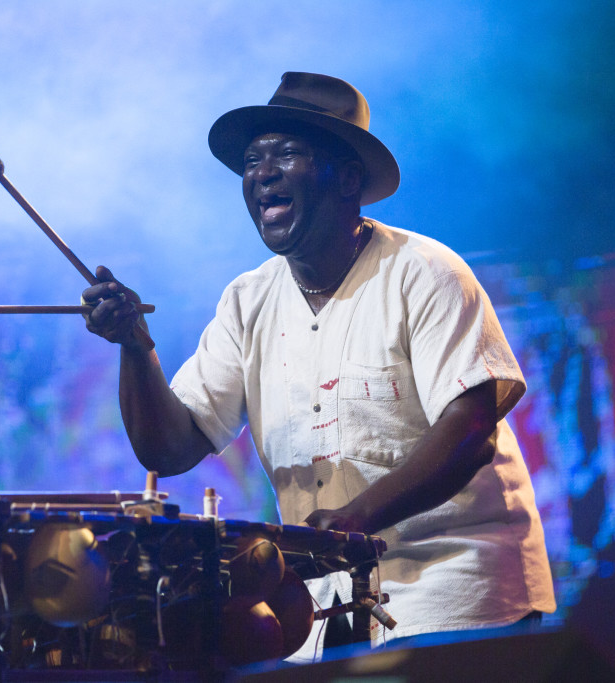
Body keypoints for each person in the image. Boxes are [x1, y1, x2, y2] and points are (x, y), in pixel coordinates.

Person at [81, 72, 556, 661]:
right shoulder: (247, 300)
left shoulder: (425, 271)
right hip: (324, 615)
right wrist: (135, 348)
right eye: (253, 160)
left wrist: (353, 521)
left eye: (286, 154)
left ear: (347, 177)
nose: (262, 172)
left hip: (456, 597)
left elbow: (470, 434)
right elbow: (170, 449)